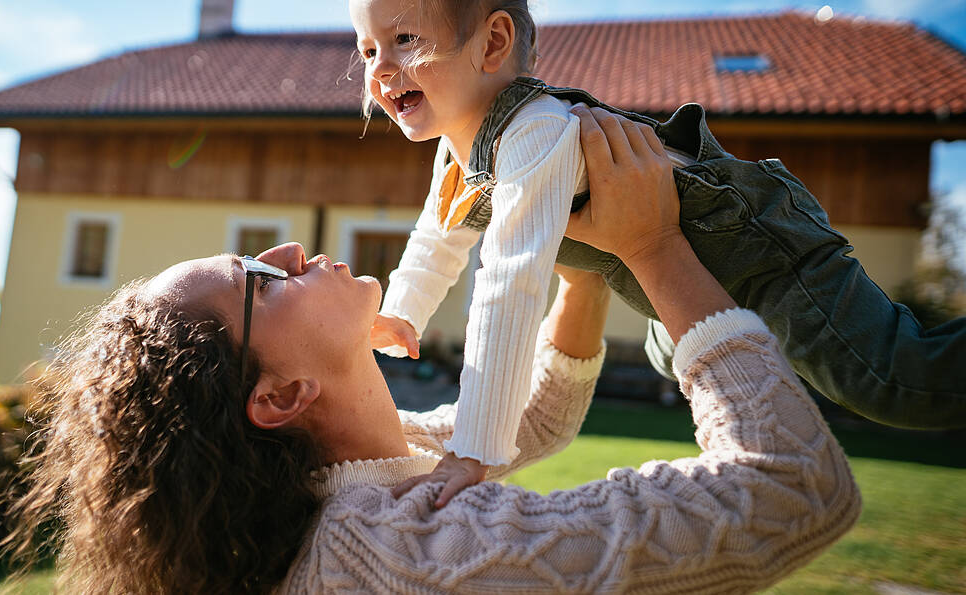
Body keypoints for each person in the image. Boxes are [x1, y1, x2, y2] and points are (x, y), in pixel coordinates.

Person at [0, 106, 861, 594]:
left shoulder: (351, 481)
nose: (292, 251)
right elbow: (795, 489)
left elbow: (534, 421)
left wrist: (587, 269)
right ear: (279, 396)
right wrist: (657, 249)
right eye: (262, 277)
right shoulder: (406, 556)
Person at [357, 0, 965, 505]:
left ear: (493, 43)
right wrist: (404, 312)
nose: (381, 70)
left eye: (404, 40)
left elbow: (509, 283)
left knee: (893, 381)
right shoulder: (458, 154)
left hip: (763, 256)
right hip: (668, 289)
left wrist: (473, 448)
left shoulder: (533, 131)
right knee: (664, 356)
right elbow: (437, 237)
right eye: (367, 50)